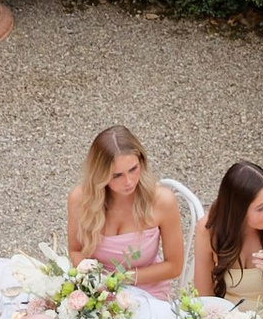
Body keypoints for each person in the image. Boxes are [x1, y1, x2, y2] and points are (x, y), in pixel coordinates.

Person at [64, 124, 184, 292]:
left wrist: (120, 279)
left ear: (141, 161)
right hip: (98, 290)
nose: (128, 182)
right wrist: (94, 279)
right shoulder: (80, 199)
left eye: (133, 169)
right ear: (100, 175)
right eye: (117, 175)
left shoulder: (162, 201)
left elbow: (174, 267)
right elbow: (75, 250)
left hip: (148, 291)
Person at [188, 162, 263, 316]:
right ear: (238, 210)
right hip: (226, 318)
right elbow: (204, 298)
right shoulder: (209, 230)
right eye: (260, 208)